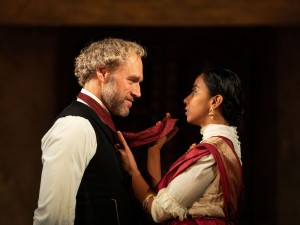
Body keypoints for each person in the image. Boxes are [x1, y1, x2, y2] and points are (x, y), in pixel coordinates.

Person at [33, 38, 147, 225]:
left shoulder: (96, 123)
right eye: (132, 81)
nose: (138, 92)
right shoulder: (75, 126)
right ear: (102, 72)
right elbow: (53, 217)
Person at [117, 68, 244, 225]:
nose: (186, 99)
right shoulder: (224, 146)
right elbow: (165, 197)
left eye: (194, 91)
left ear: (215, 101)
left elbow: (159, 210)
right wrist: (154, 149)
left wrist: (132, 172)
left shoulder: (209, 154)